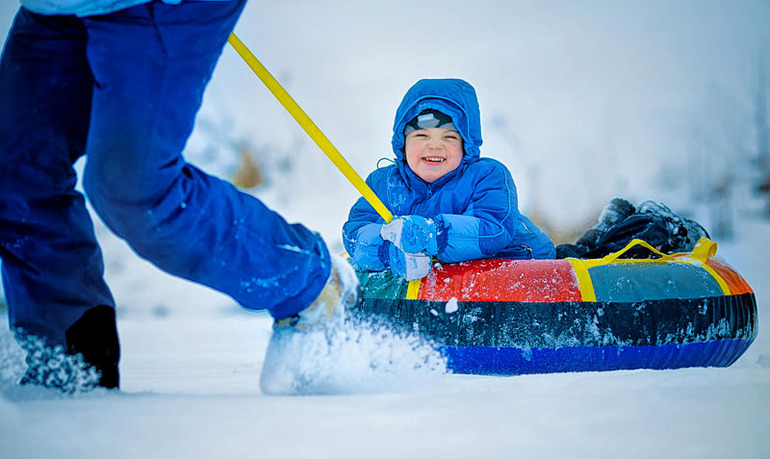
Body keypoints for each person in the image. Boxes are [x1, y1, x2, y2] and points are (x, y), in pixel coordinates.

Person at [0, 0, 357, 393]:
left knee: (133, 189)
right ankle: (70, 372)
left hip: (153, 6)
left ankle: (307, 282)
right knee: (14, 177)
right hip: (52, 8)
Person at [343, 78, 555, 281]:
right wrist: (387, 249)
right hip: (446, 292)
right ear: (402, 143)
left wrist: (432, 234)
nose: (435, 146)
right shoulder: (385, 185)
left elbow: (492, 229)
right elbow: (355, 233)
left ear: (466, 145)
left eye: (449, 137)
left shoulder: (487, 176)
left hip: (521, 268)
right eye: (421, 136)